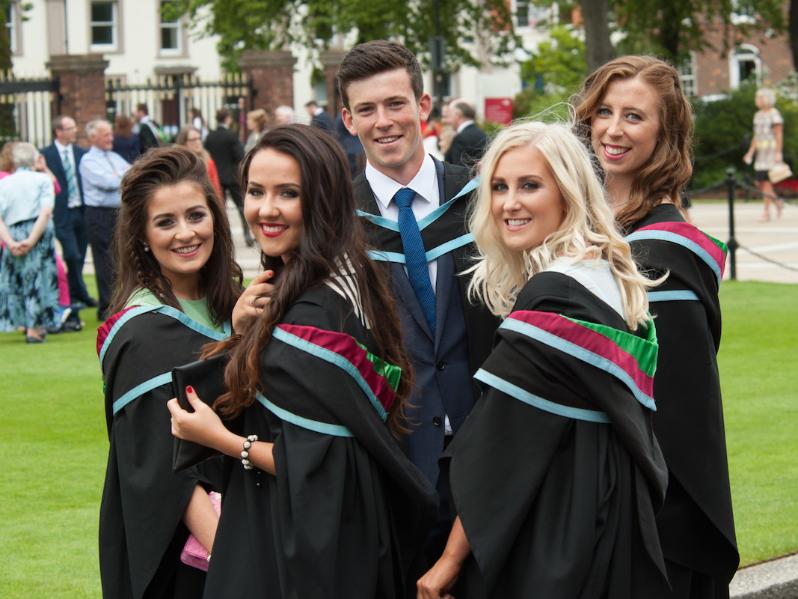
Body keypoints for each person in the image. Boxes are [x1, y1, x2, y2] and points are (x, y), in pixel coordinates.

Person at [168, 125, 437, 597]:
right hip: (339, 529)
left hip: (308, 545)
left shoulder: (311, 318)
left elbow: (323, 460)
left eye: (287, 193)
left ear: (322, 201)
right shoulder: (345, 273)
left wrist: (222, 440)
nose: (265, 209)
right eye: (255, 191)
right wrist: (240, 331)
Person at [418, 120, 670, 599]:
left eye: (530, 185)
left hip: (562, 521)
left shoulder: (553, 295)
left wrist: (447, 563)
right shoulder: (607, 275)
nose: (509, 203)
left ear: (568, 193)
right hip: (612, 509)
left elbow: (499, 447)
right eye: (499, 187)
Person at [575, 55, 739, 598]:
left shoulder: (665, 253)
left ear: (665, 135)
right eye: (604, 112)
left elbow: (681, 410)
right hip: (587, 495)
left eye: (634, 117)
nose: (612, 130)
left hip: (652, 512)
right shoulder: (583, 225)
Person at [337, 40, 499, 573]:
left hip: (489, 447)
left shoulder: (484, 200)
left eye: (396, 103)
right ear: (348, 118)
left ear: (423, 106)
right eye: (367, 109)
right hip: (392, 463)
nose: (384, 122)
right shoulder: (336, 225)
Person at [96, 146, 242, 599]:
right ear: (141, 235)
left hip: (252, 518)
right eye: (165, 222)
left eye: (196, 215)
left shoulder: (237, 304)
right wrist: (237, 562)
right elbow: (169, 472)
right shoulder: (140, 333)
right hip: (192, 557)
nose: (186, 234)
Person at [0, 143, 58, 343]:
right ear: (34, 159)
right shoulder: (43, 179)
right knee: (37, 278)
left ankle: (29, 324)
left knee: (18, 279)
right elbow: (46, 211)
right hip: (38, 231)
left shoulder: (4, 183)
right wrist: (32, 239)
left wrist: (10, 242)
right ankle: (34, 328)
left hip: (13, 232)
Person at [40, 115, 96, 313]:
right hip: (61, 213)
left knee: (79, 254)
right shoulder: (45, 155)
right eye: (70, 128)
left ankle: (76, 293)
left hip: (81, 210)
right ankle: (77, 293)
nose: (75, 131)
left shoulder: (81, 153)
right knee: (71, 254)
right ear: (59, 132)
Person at [79, 119, 132, 320]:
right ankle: (107, 307)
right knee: (104, 260)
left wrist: (120, 175)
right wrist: (120, 176)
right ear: (93, 137)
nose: (111, 138)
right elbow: (109, 182)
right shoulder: (88, 161)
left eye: (111, 134)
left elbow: (133, 173)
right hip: (99, 214)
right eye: (106, 135)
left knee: (121, 259)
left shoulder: (114, 157)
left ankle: (120, 302)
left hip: (118, 213)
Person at [204, 107, 254, 247]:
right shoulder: (231, 135)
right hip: (231, 176)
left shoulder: (210, 136)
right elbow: (240, 155)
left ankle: (223, 236)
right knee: (240, 206)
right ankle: (247, 235)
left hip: (216, 176)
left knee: (220, 209)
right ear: (227, 119)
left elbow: (206, 154)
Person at [743, 88, 785, 221]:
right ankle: (777, 202)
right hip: (761, 153)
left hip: (771, 153)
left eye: (760, 98)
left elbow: (779, 135)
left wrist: (778, 153)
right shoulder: (758, 115)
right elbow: (756, 136)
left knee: (766, 182)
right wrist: (750, 152)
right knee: (759, 182)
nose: (758, 100)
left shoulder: (775, 114)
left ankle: (766, 212)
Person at [176, 125, 223, 202]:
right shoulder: (179, 162)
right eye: (193, 139)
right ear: (184, 142)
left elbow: (215, 186)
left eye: (199, 138)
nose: (198, 142)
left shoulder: (207, 160)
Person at [443, 100, 487, 169]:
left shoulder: (460, 138)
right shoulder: (482, 133)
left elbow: (457, 170)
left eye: (450, 115)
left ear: (457, 115)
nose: (449, 120)